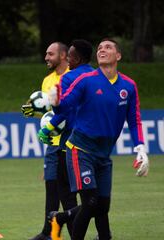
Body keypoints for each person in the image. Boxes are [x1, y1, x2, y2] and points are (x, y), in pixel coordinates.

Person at [43, 38, 149, 240]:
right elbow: (65, 106)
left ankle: (61, 217)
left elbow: (134, 120)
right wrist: (55, 102)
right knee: (90, 201)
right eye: (99, 47)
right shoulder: (85, 80)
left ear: (118, 56)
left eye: (108, 47)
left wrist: (141, 149)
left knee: (102, 206)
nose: (102, 49)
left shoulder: (129, 85)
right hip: (80, 149)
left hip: (104, 154)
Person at [39, 39, 112, 240]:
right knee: (96, 197)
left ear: (76, 58)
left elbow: (64, 108)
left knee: (69, 195)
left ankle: (65, 223)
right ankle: (104, 235)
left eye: (70, 56)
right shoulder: (99, 77)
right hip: (97, 145)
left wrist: (49, 127)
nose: (68, 59)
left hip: (71, 145)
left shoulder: (69, 78)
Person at [22, 42, 77, 240]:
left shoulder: (75, 76)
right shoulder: (47, 80)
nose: (46, 57)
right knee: (51, 188)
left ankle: (80, 234)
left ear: (63, 56)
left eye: (50, 54)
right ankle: (49, 233)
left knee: (72, 193)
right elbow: (50, 112)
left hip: (72, 142)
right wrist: (35, 113)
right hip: (53, 144)